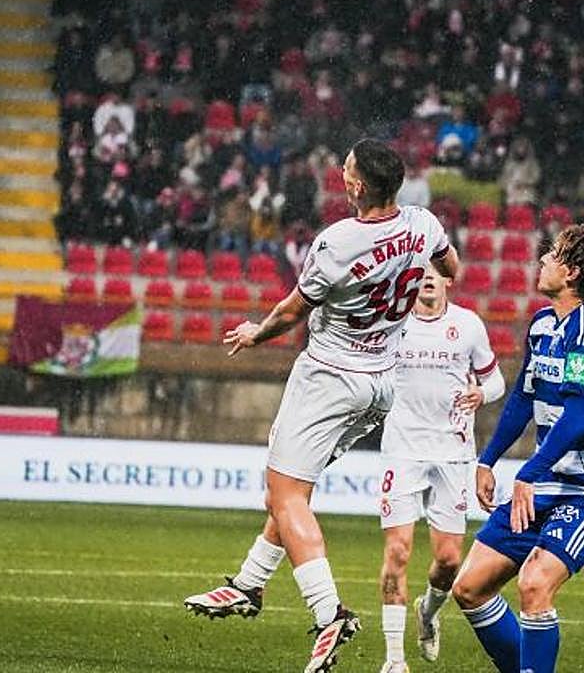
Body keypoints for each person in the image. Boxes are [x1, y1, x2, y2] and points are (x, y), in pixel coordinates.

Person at [184, 139, 460, 673]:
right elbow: (451, 267)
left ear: (356, 186)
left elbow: (291, 311)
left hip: (330, 378)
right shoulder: (424, 225)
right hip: (382, 383)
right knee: (295, 493)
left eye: (348, 168)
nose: (342, 172)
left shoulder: (338, 242)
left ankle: (328, 613)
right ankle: (248, 583)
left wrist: (254, 333)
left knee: (283, 493)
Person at [451, 223, 584, 673]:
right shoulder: (543, 323)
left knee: (533, 583)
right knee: (469, 587)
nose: (542, 259)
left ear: (571, 273)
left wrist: (528, 471)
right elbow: (523, 399)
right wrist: (487, 459)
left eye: (552, 254)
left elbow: (578, 415)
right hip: (547, 479)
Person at [376, 261, 505, 673]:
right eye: (421, 271)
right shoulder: (393, 323)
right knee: (397, 550)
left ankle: (428, 613)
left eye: (436, 271)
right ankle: (394, 660)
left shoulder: (468, 325)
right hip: (402, 448)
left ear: (448, 279)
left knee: (449, 559)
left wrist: (482, 394)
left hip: (453, 451)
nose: (428, 277)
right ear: (412, 279)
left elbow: (497, 380)